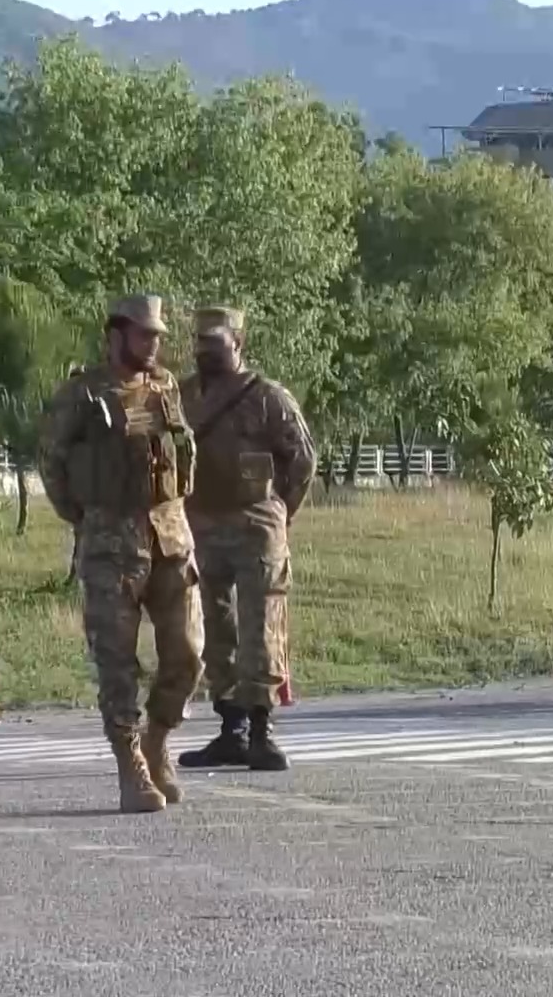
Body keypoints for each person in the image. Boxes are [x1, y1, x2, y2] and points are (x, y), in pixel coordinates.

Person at [38, 293, 202, 813]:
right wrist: (88, 519)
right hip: (112, 545)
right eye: (144, 335)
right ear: (116, 336)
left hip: (171, 538)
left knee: (189, 653)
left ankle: (158, 738)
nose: (153, 344)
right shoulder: (83, 394)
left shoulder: (165, 387)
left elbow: (183, 456)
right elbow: (52, 464)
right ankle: (130, 763)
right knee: (116, 662)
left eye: (157, 336)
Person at [176, 306, 318, 773]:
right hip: (202, 525)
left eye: (215, 343)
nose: (205, 352)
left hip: (256, 526)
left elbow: (302, 459)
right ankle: (230, 728)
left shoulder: (267, 397)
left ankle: (261, 728)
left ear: (237, 344)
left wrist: (279, 511)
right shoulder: (182, 396)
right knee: (214, 629)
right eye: (200, 343)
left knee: (262, 627)